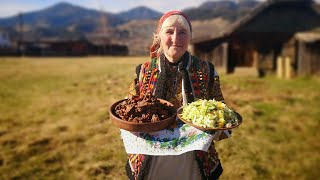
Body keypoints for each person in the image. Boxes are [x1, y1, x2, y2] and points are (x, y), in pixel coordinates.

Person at [122, 10, 231, 180]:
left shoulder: (207, 71)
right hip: (151, 159)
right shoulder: (143, 71)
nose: (175, 39)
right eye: (169, 32)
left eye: (182, 32)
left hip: (192, 161)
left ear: (190, 37)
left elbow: (221, 113)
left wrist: (216, 129)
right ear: (159, 36)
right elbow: (129, 111)